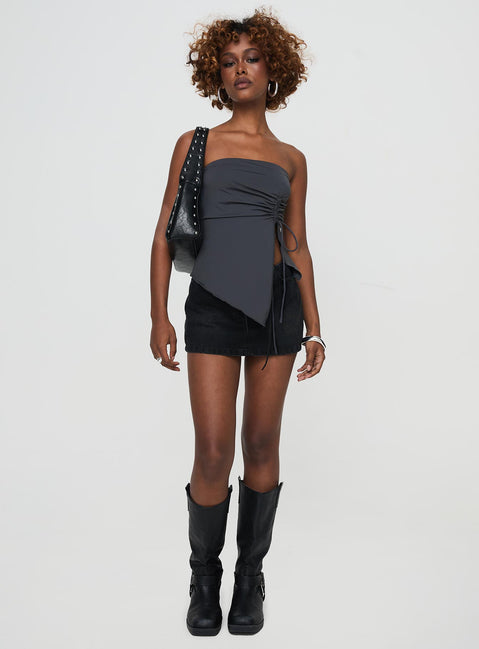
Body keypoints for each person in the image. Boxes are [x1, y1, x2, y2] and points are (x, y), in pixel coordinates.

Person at [149, 8, 325, 636]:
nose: (240, 69)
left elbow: (299, 243)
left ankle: (250, 578)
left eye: (252, 58)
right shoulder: (196, 143)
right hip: (213, 306)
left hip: (278, 307)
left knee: (261, 444)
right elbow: (165, 234)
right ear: (216, 75)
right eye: (228, 62)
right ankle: (204, 579)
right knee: (213, 450)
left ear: (273, 69)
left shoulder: (291, 157)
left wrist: (314, 326)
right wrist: (159, 315)